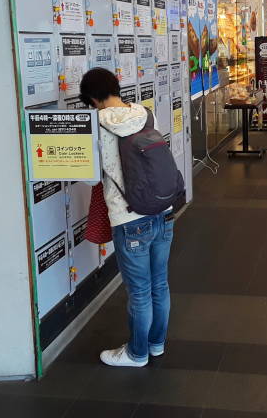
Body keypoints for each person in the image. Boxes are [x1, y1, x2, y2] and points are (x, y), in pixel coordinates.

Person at [79, 68, 174, 368]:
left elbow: (92, 176)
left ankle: (136, 353)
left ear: (93, 98)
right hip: (162, 209)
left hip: (129, 216)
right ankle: (155, 344)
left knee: (139, 292)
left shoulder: (97, 125)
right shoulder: (145, 114)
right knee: (160, 284)